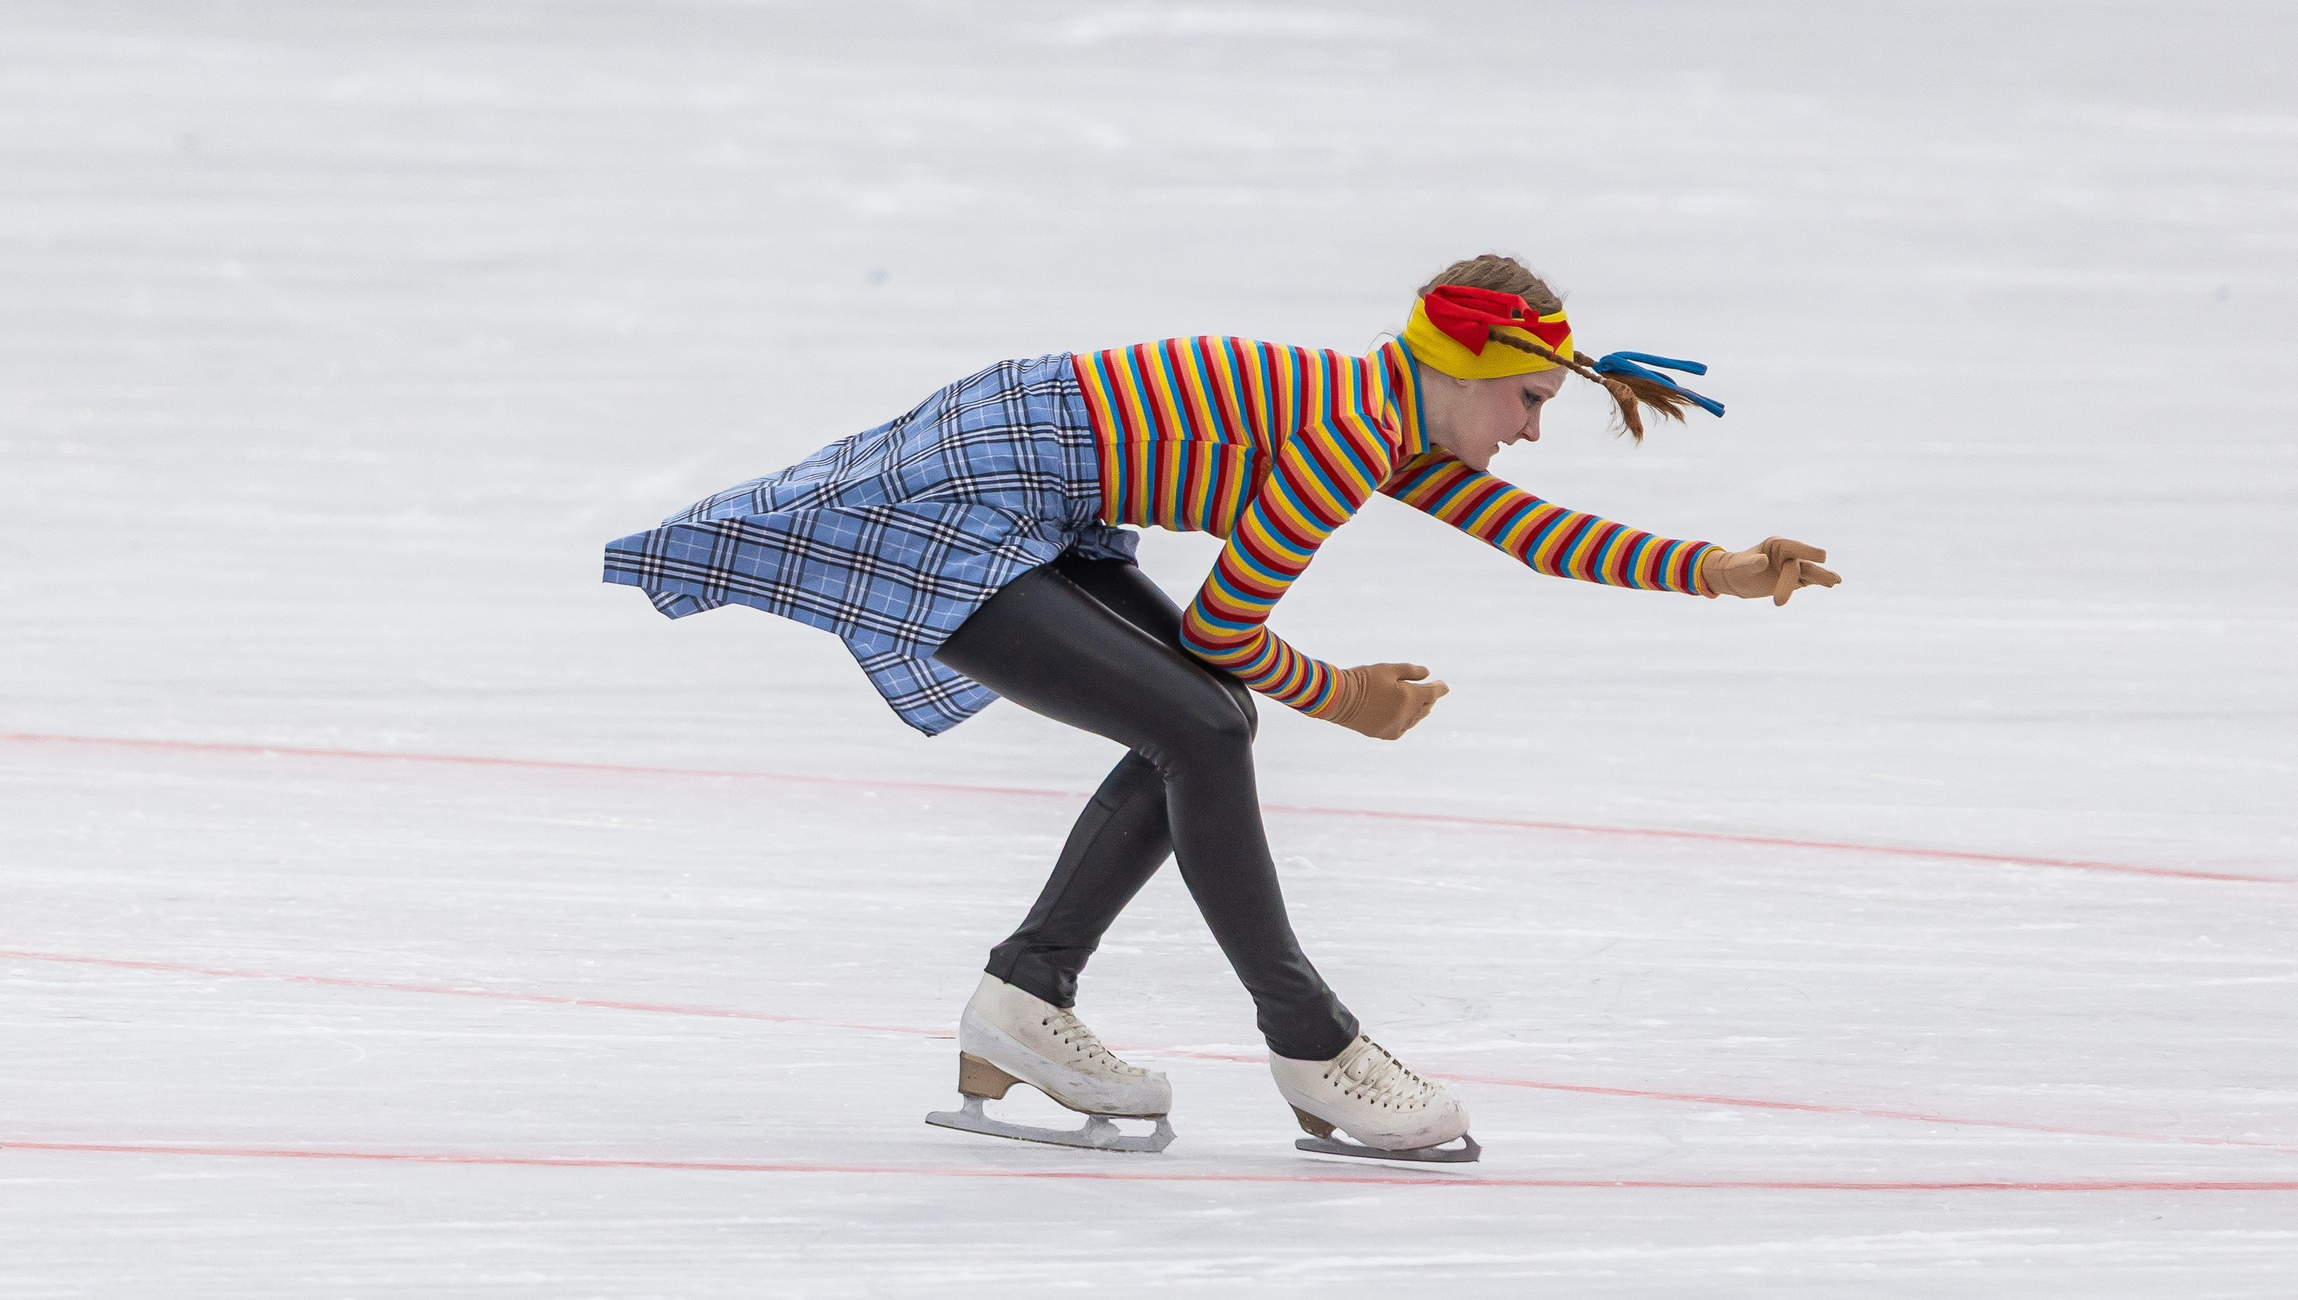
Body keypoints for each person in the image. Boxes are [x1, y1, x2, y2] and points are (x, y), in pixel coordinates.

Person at [603, 254, 1839, 1161]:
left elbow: (1531, 535)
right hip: (963, 499)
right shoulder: (1348, 431)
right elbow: (1221, 633)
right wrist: (1344, 698)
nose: (1528, 430)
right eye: (1529, 400)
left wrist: (1716, 568)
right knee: (1201, 720)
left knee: (1205, 722)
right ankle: (1311, 1042)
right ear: (1470, 374)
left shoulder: (1379, 414)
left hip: (1029, 485)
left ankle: (1026, 994)